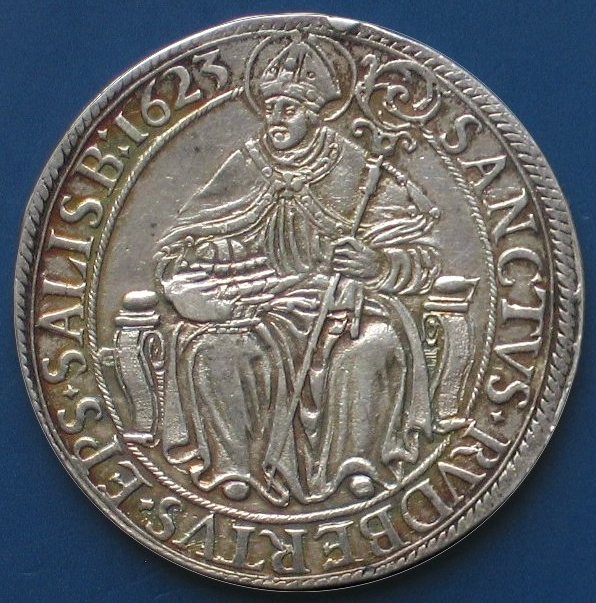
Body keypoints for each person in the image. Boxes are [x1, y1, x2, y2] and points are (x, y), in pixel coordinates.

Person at [155, 34, 441, 505]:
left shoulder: (359, 169)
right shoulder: (246, 165)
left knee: (373, 346)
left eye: (288, 109)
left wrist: (376, 264)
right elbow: (184, 240)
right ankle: (238, 469)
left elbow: (422, 256)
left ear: (314, 112)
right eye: (270, 109)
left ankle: (356, 464)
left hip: (341, 306)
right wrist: (207, 257)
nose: (276, 119)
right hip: (259, 303)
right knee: (217, 351)